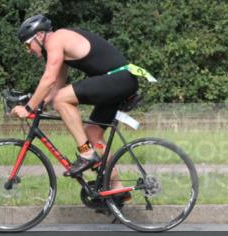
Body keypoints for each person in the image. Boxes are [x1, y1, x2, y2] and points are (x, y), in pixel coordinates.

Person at [11, 14, 146, 179]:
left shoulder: (55, 39)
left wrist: (28, 108)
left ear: (39, 35)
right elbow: (56, 85)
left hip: (118, 78)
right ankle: (116, 188)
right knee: (92, 134)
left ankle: (86, 153)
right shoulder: (58, 45)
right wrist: (40, 105)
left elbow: (48, 79)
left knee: (61, 99)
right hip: (120, 81)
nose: (28, 50)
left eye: (27, 44)